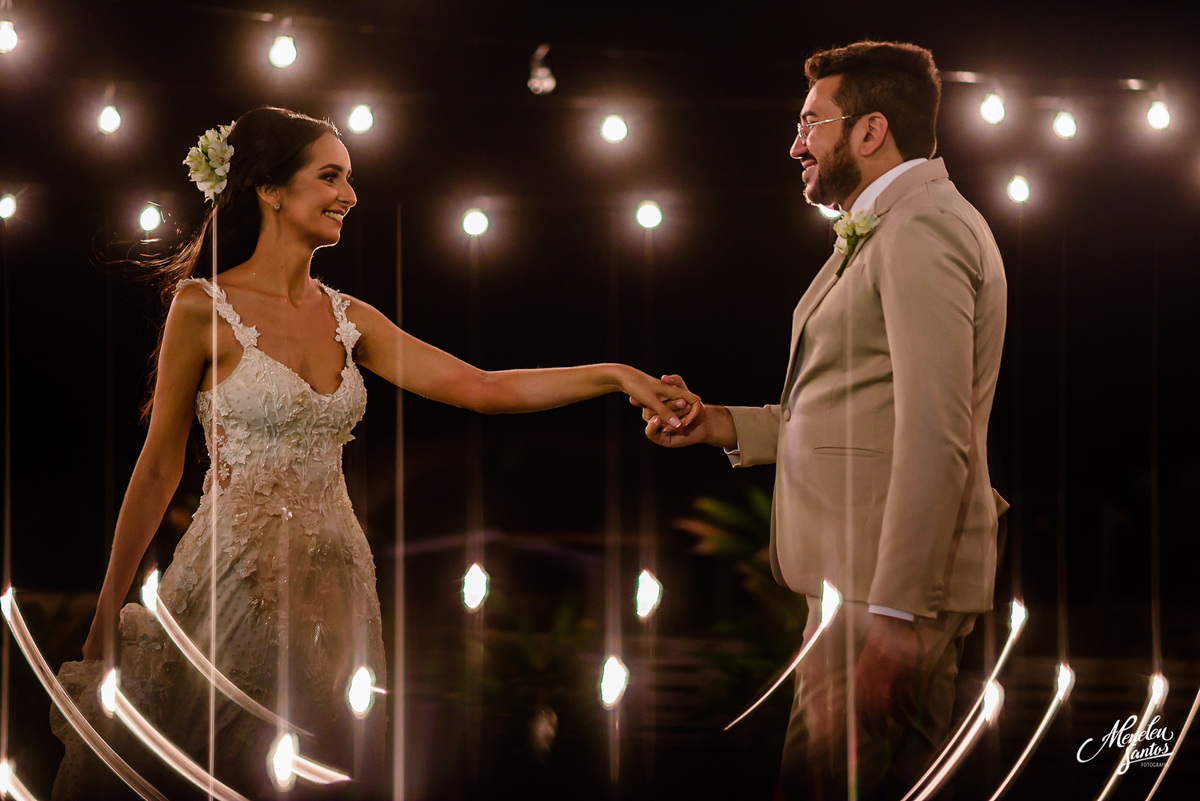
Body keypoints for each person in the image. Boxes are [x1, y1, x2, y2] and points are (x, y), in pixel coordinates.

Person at [51, 106, 697, 800]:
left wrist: (612, 374)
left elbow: (481, 387)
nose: (349, 196)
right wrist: (106, 610)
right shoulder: (201, 307)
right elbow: (158, 467)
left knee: (306, 776)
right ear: (269, 189)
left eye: (350, 178)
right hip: (232, 578)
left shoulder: (350, 318)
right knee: (211, 768)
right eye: (329, 176)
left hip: (336, 588)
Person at [639, 41, 1008, 800]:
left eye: (812, 123)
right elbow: (854, 410)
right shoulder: (887, 228)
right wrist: (719, 424)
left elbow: (936, 434)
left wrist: (896, 616)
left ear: (870, 132)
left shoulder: (921, 230)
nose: (794, 143)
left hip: (886, 592)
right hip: (860, 589)